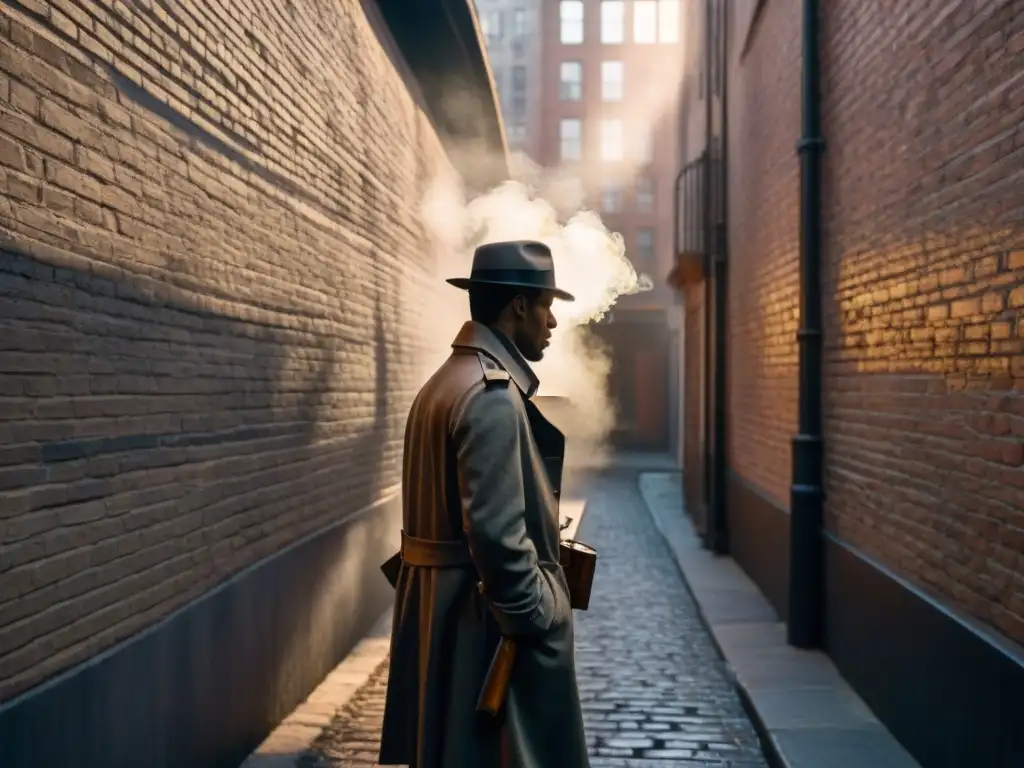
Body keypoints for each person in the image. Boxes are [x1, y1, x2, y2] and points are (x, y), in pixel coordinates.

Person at [378, 240, 590, 768]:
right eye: (546, 307)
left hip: (445, 614)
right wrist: (541, 614)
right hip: (481, 628)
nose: (552, 323)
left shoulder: (444, 383)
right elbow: (496, 537)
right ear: (518, 306)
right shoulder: (491, 394)